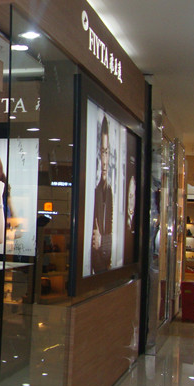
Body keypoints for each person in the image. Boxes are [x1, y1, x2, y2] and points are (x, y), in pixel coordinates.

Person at [91, 115, 113, 274]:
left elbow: (111, 235)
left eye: (107, 152)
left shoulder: (108, 191)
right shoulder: (95, 191)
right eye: (102, 153)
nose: (104, 160)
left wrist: (103, 241)